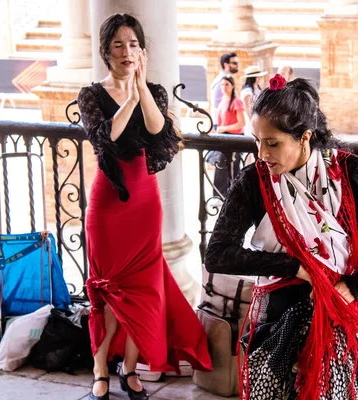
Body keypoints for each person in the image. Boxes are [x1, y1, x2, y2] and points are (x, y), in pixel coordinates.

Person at [205, 74, 358, 400]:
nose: (262, 154)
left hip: (337, 309)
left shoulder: (351, 173)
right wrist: (295, 266)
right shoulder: (254, 181)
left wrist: (357, 285)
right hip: (276, 314)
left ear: (304, 137)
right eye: (257, 141)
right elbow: (217, 254)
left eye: (272, 143)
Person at [76, 14, 211, 400]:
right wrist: (128, 98)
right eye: (118, 44)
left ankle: (131, 368)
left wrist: (141, 92)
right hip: (108, 204)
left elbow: (158, 133)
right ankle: (101, 368)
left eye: (133, 44)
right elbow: (105, 137)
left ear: (143, 51)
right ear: (106, 51)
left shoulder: (155, 91)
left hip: (145, 203)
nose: (127, 52)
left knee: (144, 290)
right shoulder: (91, 94)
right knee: (108, 289)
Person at [212, 75, 246, 197]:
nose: (224, 87)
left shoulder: (236, 101)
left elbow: (241, 123)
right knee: (221, 167)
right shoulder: (223, 101)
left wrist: (224, 128)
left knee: (231, 168)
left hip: (234, 138)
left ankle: (230, 195)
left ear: (232, 86)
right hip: (224, 137)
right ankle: (220, 195)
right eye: (222, 84)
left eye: (226, 84)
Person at [210, 52, 239, 130]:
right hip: (223, 123)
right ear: (226, 65)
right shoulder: (223, 81)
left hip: (224, 122)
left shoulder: (225, 78)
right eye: (234, 63)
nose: (237, 65)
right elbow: (217, 103)